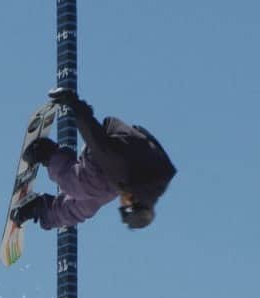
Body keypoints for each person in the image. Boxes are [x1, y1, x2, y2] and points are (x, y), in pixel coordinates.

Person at [12, 88, 177, 231]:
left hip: (120, 163)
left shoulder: (154, 186)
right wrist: (76, 106)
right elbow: (97, 141)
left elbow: (161, 159)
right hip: (106, 153)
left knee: (87, 206)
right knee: (76, 185)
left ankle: (41, 209)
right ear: (132, 201)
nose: (120, 204)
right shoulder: (119, 168)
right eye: (123, 207)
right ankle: (44, 152)